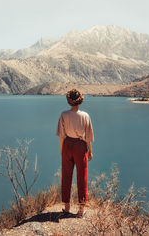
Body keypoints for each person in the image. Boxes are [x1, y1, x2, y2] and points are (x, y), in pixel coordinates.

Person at [56, 89, 94, 217]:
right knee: (82, 176)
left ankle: (66, 207)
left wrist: (62, 150)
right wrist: (90, 151)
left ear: (69, 101)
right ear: (80, 100)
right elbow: (88, 137)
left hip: (67, 145)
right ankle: (81, 210)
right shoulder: (85, 116)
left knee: (66, 175)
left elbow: (62, 136)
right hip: (80, 146)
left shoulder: (63, 115)